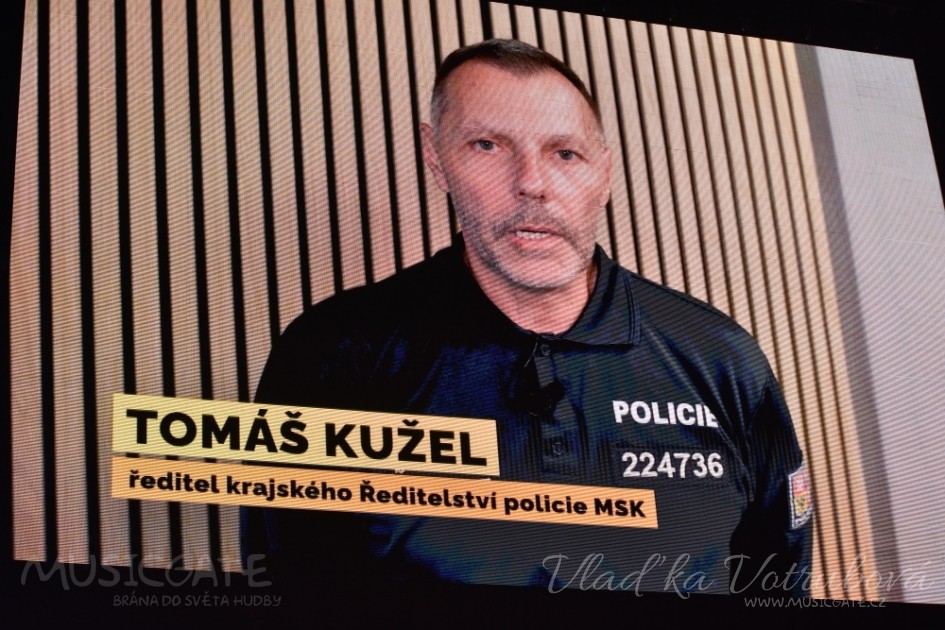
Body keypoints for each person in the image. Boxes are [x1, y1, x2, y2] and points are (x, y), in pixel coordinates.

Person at [241, 38, 812, 595]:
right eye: (487, 145)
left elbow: (780, 581)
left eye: (564, 153)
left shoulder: (720, 358)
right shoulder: (333, 355)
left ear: (604, 172)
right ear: (436, 158)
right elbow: (288, 581)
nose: (532, 185)